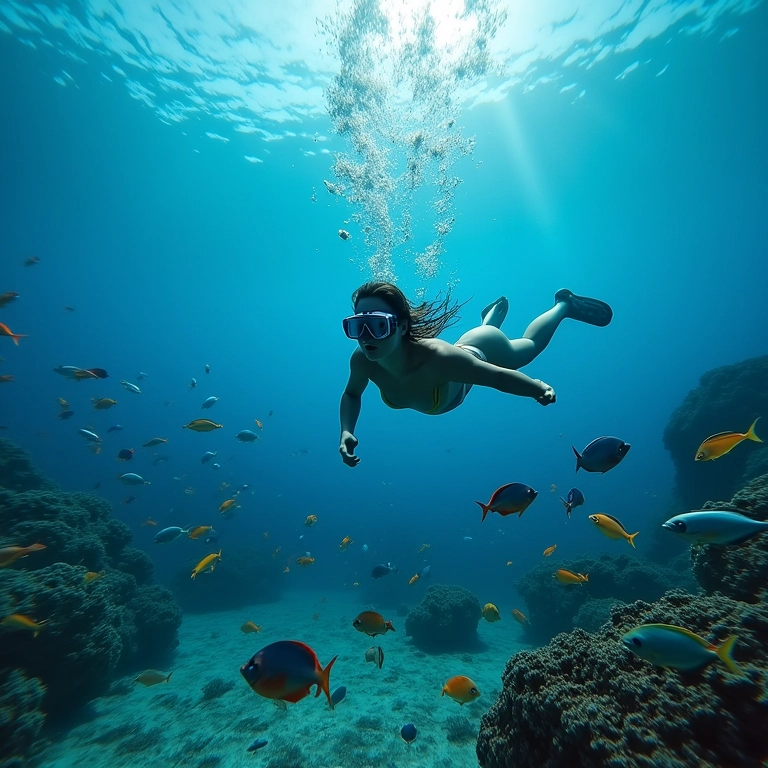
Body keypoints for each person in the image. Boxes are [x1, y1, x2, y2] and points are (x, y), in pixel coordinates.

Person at [339, 282, 613, 467]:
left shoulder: (438, 359)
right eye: (357, 326)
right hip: (465, 354)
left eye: (377, 325)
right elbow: (352, 393)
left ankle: (563, 305)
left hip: (480, 349)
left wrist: (536, 388)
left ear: (401, 327)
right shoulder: (363, 361)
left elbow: (497, 377)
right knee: (483, 342)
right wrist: (346, 431)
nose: (366, 337)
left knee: (526, 351)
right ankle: (489, 319)